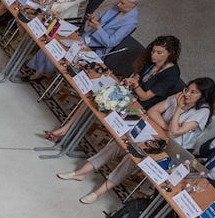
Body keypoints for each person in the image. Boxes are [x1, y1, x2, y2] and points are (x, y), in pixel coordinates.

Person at [59, 76, 213, 203]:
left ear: (203, 96)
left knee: (134, 156)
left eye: (193, 93)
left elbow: (174, 133)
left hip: (170, 151)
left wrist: (178, 110)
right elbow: (153, 111)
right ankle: (82, 172)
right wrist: (167, 127)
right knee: (121, 143)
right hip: (156, 135)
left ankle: (100, 191)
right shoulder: (179, 96)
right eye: (188, 89)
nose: (187, 94)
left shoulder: (202, 111)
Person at [41, 35, 181, 145]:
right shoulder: (152, 63)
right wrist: (131, 81)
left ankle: (66, 131)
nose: (154, 55)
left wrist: (135, 85)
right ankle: (66, 130)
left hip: (139, 108)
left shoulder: (171, 74)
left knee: (98, 100)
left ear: (170, 54)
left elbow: (145, 97)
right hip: (128, 95)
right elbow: (139, 76)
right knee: (94, 97)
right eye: (153, 51)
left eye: (159, 53)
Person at [10, 0, 101, 76]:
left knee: (32, 18)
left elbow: (59, 8)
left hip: (65, 21)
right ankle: (23, 43)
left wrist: (41, 0)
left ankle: (25, 49)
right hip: (49, 10)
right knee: (20, 6)